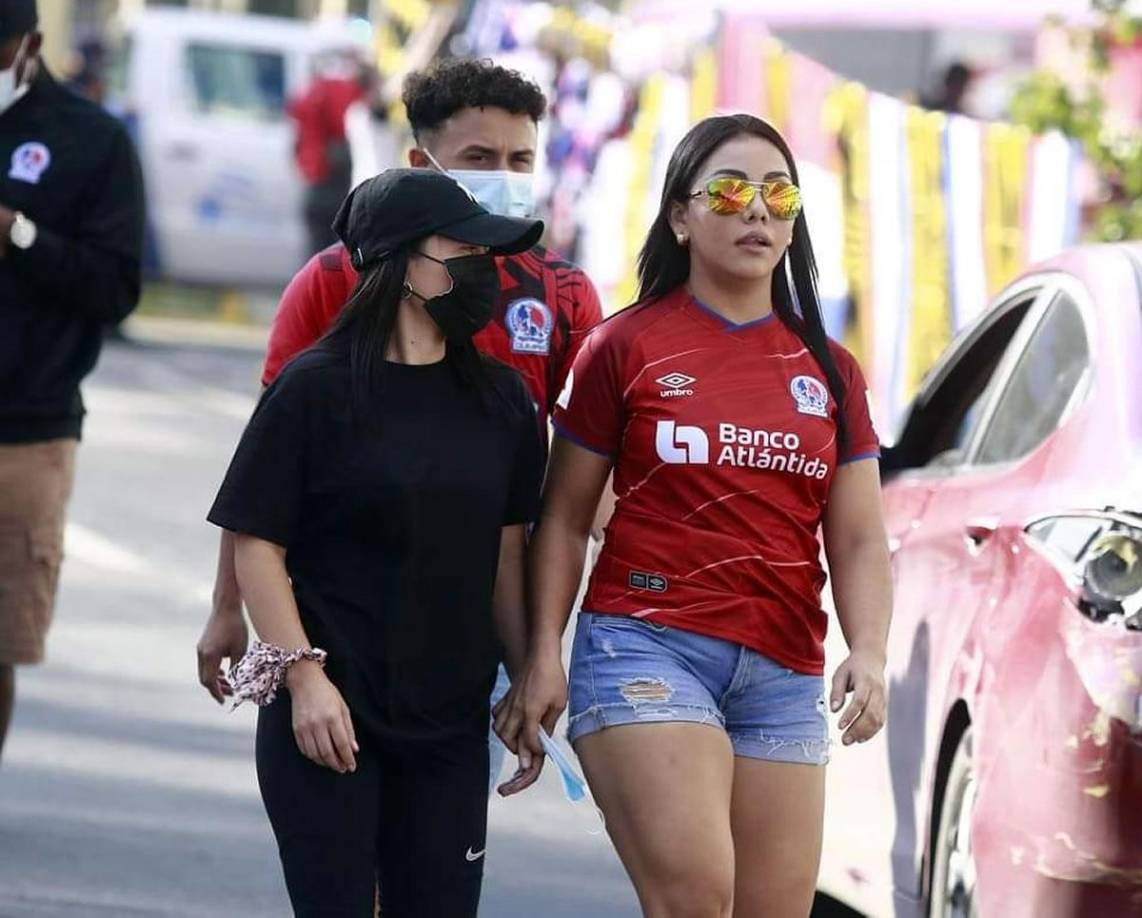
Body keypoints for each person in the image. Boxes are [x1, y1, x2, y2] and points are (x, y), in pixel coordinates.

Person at [498, 114, 893, 917]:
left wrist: (872, 652)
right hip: (646, 644)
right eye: (731, 190)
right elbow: (566, 519)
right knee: (697, 899)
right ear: (681, 215)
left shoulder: (831, 368)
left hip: (784, 673)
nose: (758, 211)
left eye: (779, 194)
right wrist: (543, 651)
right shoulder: (624, 346)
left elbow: (856, 535)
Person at [196, 57, 604, 792]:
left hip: (471, 621)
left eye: (521, 159)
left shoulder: (565, 294)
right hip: (344, 617)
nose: (504, 175)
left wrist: (539, 654)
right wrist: (228, 606)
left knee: (431, 859)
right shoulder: (335, 278)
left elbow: (575, 491)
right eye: (479, 158)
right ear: (422, 162)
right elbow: (264, 468)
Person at [208, 169, 546, 917]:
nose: (483, 268)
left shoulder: (504, 402)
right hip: (330, 718)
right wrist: (302, 679)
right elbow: (258, 543)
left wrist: (526, 679)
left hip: (450, 725)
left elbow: (508, 555)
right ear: (400, 265)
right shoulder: (312, 390)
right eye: (463, 249)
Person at [0, 0, 144, 765]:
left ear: (27, 45)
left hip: (26, 427)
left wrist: (19, 235)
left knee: (1, 640)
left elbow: (118, 288)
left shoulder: (90, 140)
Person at [289, 48, 365, 257]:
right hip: (333, 193)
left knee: (315, 257)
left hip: (316, 187)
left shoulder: (310, 95)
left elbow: (297, 145)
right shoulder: (344, 96)